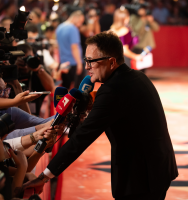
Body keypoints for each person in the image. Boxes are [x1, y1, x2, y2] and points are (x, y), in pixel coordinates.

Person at [23, 32, 178, 200]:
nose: (88, 66)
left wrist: (43, 176)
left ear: (111, 62)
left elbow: (82, 138)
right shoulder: (136, 77)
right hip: (157, 169)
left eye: (91, 61)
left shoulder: (112, 90)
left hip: (141, 179)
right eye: (86, 60)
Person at [56, 10, 84, 89]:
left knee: (65, 87)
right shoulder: (73, 28)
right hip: (73, 63)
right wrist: (79, 64)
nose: (80, 24)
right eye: (80, 21)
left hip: (63, 62)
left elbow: (58, 46)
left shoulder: (59, 27)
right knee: (78, 89)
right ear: (75, 18)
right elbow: (74, 47)